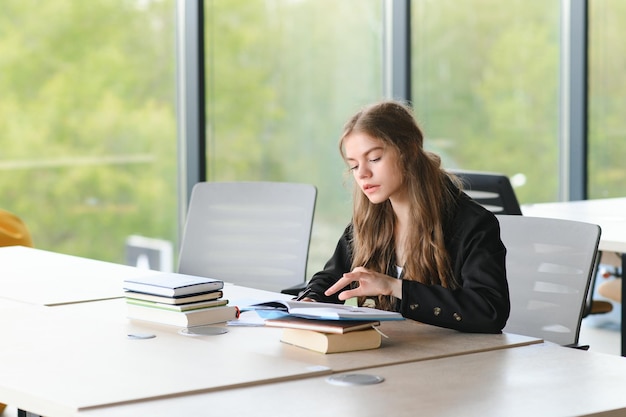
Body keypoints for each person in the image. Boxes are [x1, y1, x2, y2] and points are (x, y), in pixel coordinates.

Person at [300, 100, 510, 334]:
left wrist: (395, 287)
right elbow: (334, 277)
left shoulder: (473, 224)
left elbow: (490, 311)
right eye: (354, 166)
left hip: (458, 361)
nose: (363, 174)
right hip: (396, 353)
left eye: (374, 158)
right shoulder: (370, 218)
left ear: (408, 151)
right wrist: (311, 301)